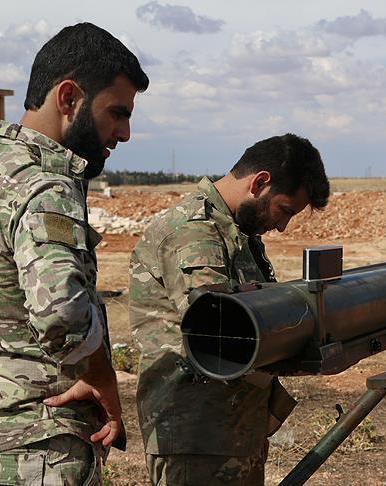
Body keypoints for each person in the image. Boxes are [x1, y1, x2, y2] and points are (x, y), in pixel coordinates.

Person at [0, 23, 148, 485]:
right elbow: (61, 312)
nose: (125, 133)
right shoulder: (47, 186)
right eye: (117, 113)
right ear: (68, 98)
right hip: (39, 450)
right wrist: (102, 377)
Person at [129, 134, 330, 485]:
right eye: (284, 210)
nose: (282, 226)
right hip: (198, 435)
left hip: (234, 427)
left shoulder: (237, 232)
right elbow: (221, 330)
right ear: (260, 183)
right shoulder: (193, 232)